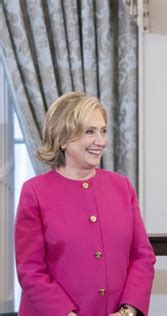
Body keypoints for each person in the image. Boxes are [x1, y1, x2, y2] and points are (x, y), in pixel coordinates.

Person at [14, 92, 156, 316]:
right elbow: (31, 271)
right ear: (63, 139)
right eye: (89, 131)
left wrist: (127, 312)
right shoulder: (35, 192)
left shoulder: (122, 187)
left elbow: (142, 257)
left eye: (103, 131)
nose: (100, 141)